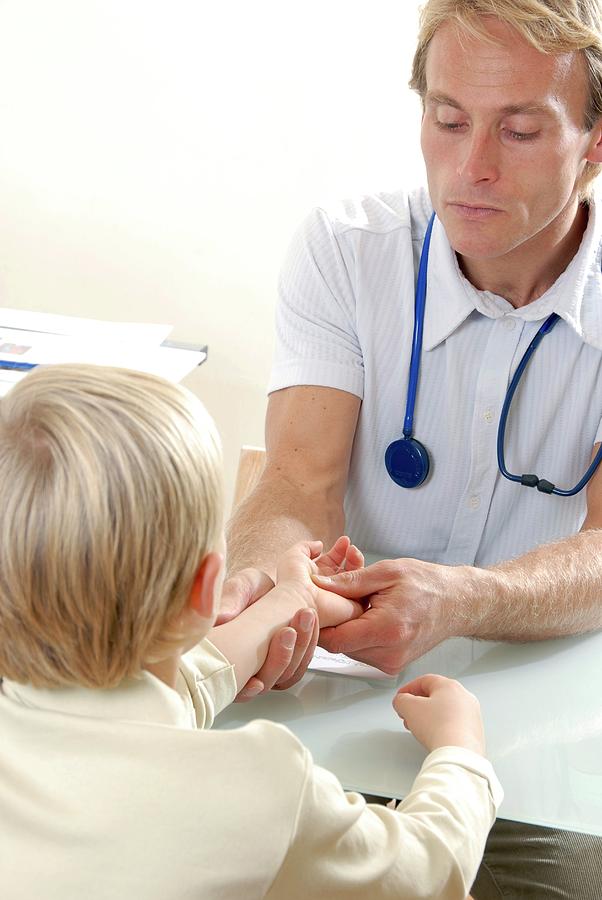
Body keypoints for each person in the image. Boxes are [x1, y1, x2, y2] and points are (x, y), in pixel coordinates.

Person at [224, 0, 602, 897]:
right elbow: (293, 486)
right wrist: (276, 585)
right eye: (447, 120)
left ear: (594, 144)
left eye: (518, 129)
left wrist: (465, 598)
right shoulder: (347, 252)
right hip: (335, 711)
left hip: (550, 744)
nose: (469, 167)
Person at [0, 363, 502, 899]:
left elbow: (162, 690)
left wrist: (292, 599)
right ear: (206, 588)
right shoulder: (261, 790)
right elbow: (427, 873)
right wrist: (461, 751)